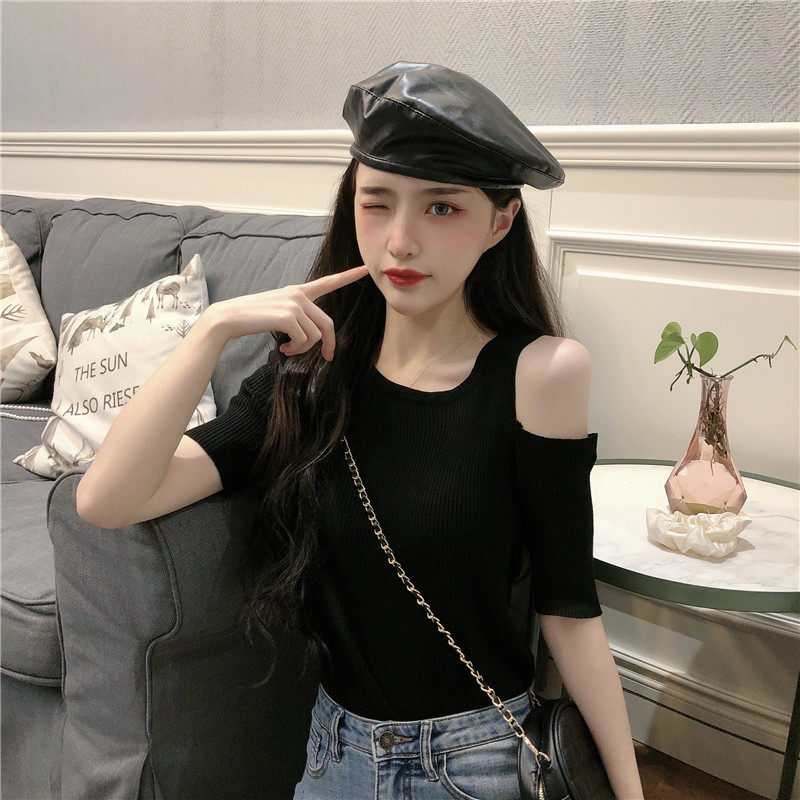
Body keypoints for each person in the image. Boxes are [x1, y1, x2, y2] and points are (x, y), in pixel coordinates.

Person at [77, 62, 644, 799]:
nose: (399, 242)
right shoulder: (308, 378)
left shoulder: (541, 374)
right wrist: (210, 331)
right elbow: (106, 500)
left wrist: (629, 792)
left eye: (441, 208)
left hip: (475, 760)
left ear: (500, 223)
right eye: (377, 204)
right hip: (332, 756)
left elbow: (567, 608)